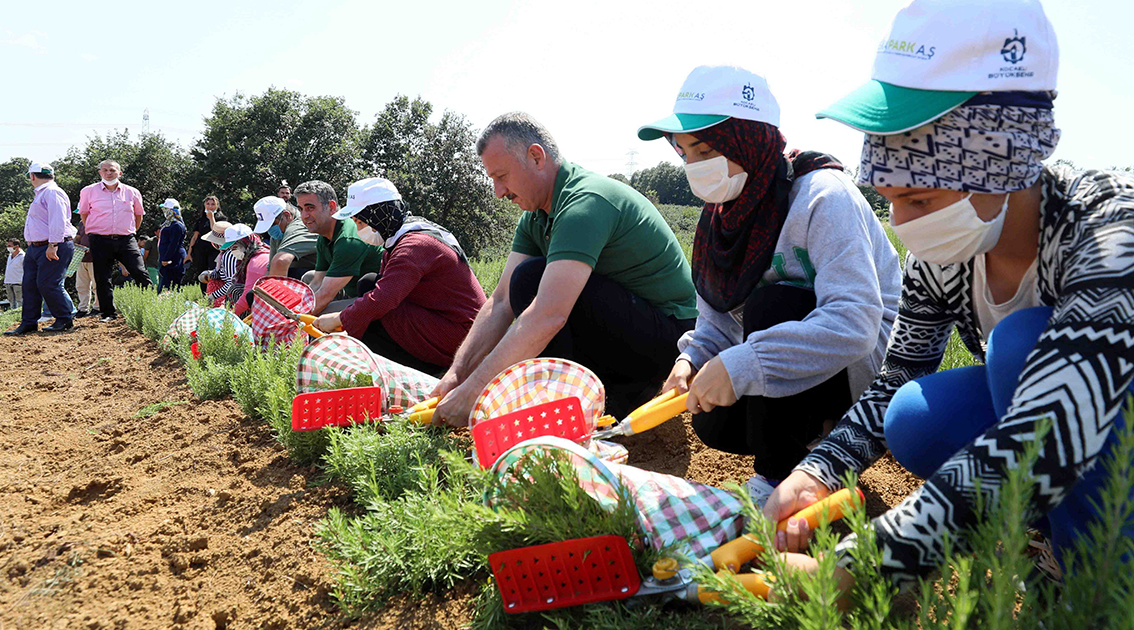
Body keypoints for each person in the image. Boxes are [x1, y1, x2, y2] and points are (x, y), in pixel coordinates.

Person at [764, 0, 1134, 595]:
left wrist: (873, 558)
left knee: (1019, 345)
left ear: (1003, 159)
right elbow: (892, 382)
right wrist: (819, 469)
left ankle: (1104, 580)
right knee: (912, 414)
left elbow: (1062, 413)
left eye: (919, 199)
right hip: (1064, 430)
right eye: (889, 197)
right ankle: (1049, 538)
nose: (900, 221)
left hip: (1099, 414)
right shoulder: (943, 256)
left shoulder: (1110, 226)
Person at [636, 66, 902, 505]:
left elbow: (856, 321)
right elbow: (716, 322)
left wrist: (745, 363)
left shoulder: (821, 196)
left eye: (706, 150)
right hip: (802, 370)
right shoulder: (720, 218)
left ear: (748, 138)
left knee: (775, 303)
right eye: (684, 153)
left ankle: (782, 475)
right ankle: (807, 444)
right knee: (710, 417)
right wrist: (692, 360)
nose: (694, 167)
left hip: (866, 374)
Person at [430, 112, 698, 425]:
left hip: (671, 339)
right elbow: (500, 301)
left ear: (535, 156)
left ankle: (610, 393)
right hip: (624, 325)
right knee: (523, 283)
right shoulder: (535, 217)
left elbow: (548, 315)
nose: (498, 192)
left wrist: (474, 392)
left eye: (501, 176)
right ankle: (597, 393)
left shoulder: (585, 202)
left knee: (531, 280)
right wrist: (456, 376)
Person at [312, 178, 486, 374]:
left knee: (374, 314)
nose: (359, 229)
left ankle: (416, 370)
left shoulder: (416, 245)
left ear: (379, 215)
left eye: (361, 222)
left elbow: (383, 299)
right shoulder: (401, 236)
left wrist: (340, 319)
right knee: (369, 284)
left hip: (461, 335)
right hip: (447, 321)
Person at [291, 181, 383, 316]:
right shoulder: (324, 235)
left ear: (331, 207)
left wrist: (292, 321)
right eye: (300, 209)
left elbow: (325, 295)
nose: (304, 216)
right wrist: (293, 308)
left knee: (322, 314)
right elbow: (317, 281)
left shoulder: (348, 239)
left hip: (373, 298)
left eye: (310, 208)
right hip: (350, 290)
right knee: (309, 277)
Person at [5, 163, 76, 335]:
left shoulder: (52, 192)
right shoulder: (44, 193)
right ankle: (29, 322)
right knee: (30, 285)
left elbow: (57, 220)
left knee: (48, 284)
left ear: (32, 176)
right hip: (35, 247)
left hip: (52, 245)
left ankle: (64, 318)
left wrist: (53, 245)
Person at [77, 159, 151, 322]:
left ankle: (152, 307)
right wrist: (91, 230)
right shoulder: (88, 191)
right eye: (105, 170)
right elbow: (84, 214)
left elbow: (138, 215)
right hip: (99, 240)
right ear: (100, 173)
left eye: (112, 170)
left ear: (120, 173)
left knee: (139, 272)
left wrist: (131, 231)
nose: (109, 173)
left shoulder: (132, 192)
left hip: (126, 239)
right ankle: (108, 313)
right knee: (102, 277)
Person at [251, 196, 317, 279]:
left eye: (272, 225)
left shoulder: (298, 227)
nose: (270, 230)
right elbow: (270, 269)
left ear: (287, 216)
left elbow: (281, 261)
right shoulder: (277, 235)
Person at [227, 229, 271, 316]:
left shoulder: (255, 262)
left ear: (244, 243)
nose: (232, 251)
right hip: (266, 300)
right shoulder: (264, 251)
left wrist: (229, 316)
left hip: (266, 305)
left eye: (235, 247)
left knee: (235, 290)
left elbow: (246, 297)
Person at [185, 195, 226, 275]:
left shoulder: (222, 219)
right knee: (202, 273)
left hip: (215, 250)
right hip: (201, 250)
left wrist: (211, 218)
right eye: (208, 204)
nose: (210, 206)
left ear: (217, 206)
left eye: (213, 204)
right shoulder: (201, 220)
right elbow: (194, 237)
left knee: (213, 272)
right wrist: (189, 254)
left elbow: (215, 230)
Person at [157, 198, 188, 292]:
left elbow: (173, 244)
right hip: (168, 259)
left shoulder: (177, 226)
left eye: (167, 209)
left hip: (174, 260)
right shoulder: (169, 224)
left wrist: (167, 258)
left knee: (169, 287)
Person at [72, 213, 99, 317]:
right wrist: (73, 244)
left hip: (95, 258)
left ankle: (97, 307)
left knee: (97, 285)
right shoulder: (81, 223)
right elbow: (78, 237)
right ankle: (83, 308)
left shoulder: (98, 221)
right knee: (81, 285)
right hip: (81, 258)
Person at [3, 238, 24, 311]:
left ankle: (20, 315)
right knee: (11, 301)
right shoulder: (10, 255)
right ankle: (13, 315)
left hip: (18, 282)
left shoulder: (23, 256)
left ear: (17, 246)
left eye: (10, 245)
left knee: (20, 301)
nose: (8, 247)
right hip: (8, 281)